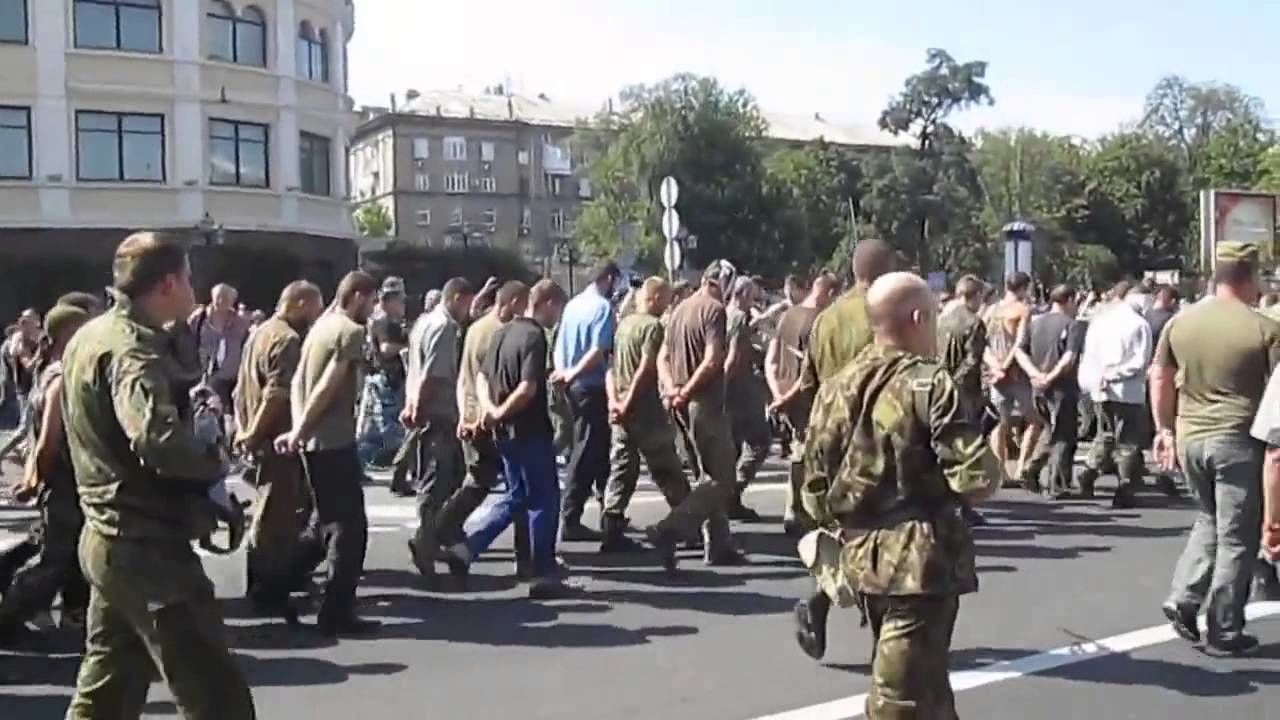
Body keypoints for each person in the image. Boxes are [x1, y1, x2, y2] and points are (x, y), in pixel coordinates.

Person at [62, 231, 255, 719]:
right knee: (217, 696)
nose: (194, 287)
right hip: (145, 546)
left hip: (107, 537)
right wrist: (214, 467)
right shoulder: (132, 350)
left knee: (106, 690)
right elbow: (156, 439)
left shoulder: (90, 335)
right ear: (169, 282)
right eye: (189, 278)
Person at [803, 272, 998, 719]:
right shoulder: (929, 384)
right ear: (917, 317)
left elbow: (812, 492)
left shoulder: (835, 386)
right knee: (900, 699)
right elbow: (976, 479)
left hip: (860, 556)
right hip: (919, 564)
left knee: (926, 687)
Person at [1153, 241, 1280, 657]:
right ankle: (1224, 627)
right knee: (1238, 537)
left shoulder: (1180, 322)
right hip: (1238, 438)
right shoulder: (1263, 328)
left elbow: (1159, 376)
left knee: (1208, 518)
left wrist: (1164, 430)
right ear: (1249, 276)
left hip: (1190, 437)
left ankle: (1184, 596)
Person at [792, 237, 894, 662]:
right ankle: (882, 643)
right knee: (885, 538)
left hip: (834, 442)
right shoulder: (888, 315)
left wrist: (810, 441)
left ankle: (819, 601)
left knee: (848, 531)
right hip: (881, 440)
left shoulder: (826, 320)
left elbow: (807, 385)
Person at [443, 280, 575, 599]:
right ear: (545, 303)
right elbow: (528, 388)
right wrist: (501, 411)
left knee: (517, 496)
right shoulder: (534, 336)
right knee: (544, 498)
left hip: (504, 434)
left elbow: (482, 377)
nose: (556, 317)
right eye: (556, 309)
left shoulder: (501, 333)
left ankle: (468, 548)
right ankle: (543, 572)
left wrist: (490, 411)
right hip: (528, 428)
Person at [275, 270, 381, 637]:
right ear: (356, 297)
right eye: (371, 300)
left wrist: (297, 430)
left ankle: (277, 587)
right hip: (332, 440)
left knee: (323, 523)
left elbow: (301, 382)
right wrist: (301, 429)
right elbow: (327, 386)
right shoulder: (350, 332)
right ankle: (336, 613)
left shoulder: (321, 326)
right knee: (349, 530)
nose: (373, 308)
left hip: (315, 441)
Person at [0, 304, 92, 645]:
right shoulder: (60, 378)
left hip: (65, 481)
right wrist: (35, 479)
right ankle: (8, 614)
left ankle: (73, 610)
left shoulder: (50, 372)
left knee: (59, 548)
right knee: (53, 561)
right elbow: (47, 440)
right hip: (64, 480)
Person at [233, 281, 324, 620]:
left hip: (259, 436)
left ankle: (265, 585)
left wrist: (243, 429)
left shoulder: (260, 332)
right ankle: (268, 593)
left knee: (269, 513)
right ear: (299, 303)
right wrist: (255, 432)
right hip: (275, 439)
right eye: (315, 306)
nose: (317, 314)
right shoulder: (287, 340)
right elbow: (277, 393)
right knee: (275, 519)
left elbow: (242, 387)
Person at [435, 281, 532, 576]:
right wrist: (482, 416)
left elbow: (466, 377)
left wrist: (466, 414)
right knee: (520, 487)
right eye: (523, 303)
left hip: (475, 416)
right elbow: (491, 381)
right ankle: (524, 558)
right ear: (513, 301)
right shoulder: (497, 333)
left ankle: (442, 529)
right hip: (491, 421)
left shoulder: (477, 327)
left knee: (482, 481)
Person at [656, 261, 746, 567]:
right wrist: (687, 391)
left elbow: (662, 358)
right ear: (722, 282)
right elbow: (712, 361)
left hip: (679, 405)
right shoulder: (714, 310)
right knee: (722, 479)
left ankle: (718, 545)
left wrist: (672, 390)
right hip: (704, 404)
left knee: (705, 477)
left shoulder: (679, 310)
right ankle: (671, 527)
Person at [601, 278, 692, 555]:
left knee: (621, 468)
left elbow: (612, 368)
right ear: (653, 298)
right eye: (664, 299)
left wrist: (614, 402)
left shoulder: (624, 324)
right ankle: (688, 526)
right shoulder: (652, 327)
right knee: (667, 469)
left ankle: (611, 528)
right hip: (644, 410)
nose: (667, 305)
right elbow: (646, 369)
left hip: (621, 409)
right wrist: (628, 402)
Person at [403, 277, 475, 584]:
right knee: (438, 480)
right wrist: (419, 407)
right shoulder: (446, 328)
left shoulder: (423, 322)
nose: (468, 310)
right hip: (440, 412)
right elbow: (433, 374)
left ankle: (440, 538)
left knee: (438, 477)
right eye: (467, 302)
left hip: (425, 409)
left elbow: (415, 369)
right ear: (457, 298)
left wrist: (411, 405)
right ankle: (427, 540)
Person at [765, 273, 838, 536]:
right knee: (809, 454)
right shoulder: (820, 321)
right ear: (829, 293)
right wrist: (787, 397)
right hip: (804, 397)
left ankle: (796, 509)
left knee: (800, 450)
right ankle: (800, 510)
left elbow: (771, 358)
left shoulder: (786, 316)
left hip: (784, 395)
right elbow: (810, 368)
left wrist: (776, 394)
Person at [553, 262, 621, 541]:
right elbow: (598, 350)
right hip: (592, 386)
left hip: (572, 386)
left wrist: (563, 373)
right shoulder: (602, 308)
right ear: (608, 279)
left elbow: (560, 345)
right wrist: (574, 372)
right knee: (585, 453)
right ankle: (569, 517)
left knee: (596, 451)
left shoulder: (572, 305)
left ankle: (610, 514)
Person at [1078, 284, 1154, 508]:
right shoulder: (1140, 325)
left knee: (1106, 435)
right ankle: (1125, 488)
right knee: (1128, 442)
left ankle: (1089, 472)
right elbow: (1140, 361)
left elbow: (1089, 355)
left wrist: (1096, 379)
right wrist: (1115, 374)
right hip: (1127, 390)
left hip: (1100, 390)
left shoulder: (1100, 322)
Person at [984, 272, 1045, 486]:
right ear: (1023, 288)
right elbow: (1019, 342)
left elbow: (982, 343)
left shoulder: (991, 310)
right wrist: (1006, 366)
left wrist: (994, 366)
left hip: (994, 374)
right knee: (1034, 421)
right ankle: (1021, 466)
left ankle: (1000, 471)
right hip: (1017, 374)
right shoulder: (1023, 310)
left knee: (999, 423)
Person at [1025, 284, 1086, 498]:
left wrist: (1035, 374)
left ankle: (1031, 468)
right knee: (1063, 434)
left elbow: (1019, 352)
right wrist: (1050, 377)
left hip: (1038, 387)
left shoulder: (1034, 323)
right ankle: (1056, 484)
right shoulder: (1073, 325)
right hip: (1062, 386)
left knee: (1049, 430)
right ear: (1069, 300)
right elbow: (1069, 357)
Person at [724, 276, 770, 521]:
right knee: (759, 441)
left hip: (729, 391)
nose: (753, 301)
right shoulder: (739, 318)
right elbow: (733, 357)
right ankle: (733, 491)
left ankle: (730, 496)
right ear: (741, 294)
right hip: (740, 390)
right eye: (751, 296)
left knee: (731, 448)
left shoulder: (722, 314)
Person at [357, 276, 408, 470]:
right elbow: (386, 348)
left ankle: (359, 465)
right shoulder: (383, 320)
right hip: (386, 378)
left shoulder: (382, 318)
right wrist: (408, 345)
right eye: (400, 299)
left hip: (380, 377)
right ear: (391, 299)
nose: (402, 303)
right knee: (389, 428)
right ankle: (397, 467)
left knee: (371, 429)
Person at [189, 283, 251, 413]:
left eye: (226, 298)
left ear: (232, 301)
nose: (221, 301)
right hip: (204, 379)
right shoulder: (198, 319)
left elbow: (248, 346)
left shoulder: (240, 322)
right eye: (219, 297)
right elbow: (186, 341)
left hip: (233, 380)